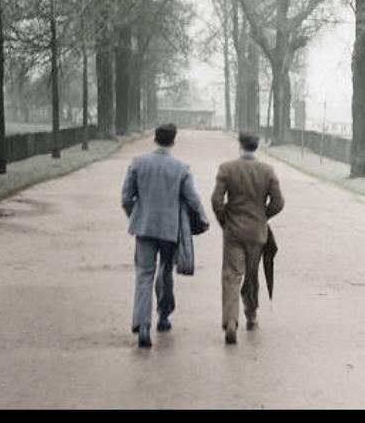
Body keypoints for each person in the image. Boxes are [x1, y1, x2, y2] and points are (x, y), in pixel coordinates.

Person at [121, 123, 209, 348]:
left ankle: (142, 325)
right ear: (173, 140)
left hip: (144, 228)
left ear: (155, 138)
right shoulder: (181, 168)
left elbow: (126, 198)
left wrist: (137, 216)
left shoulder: (138, 163)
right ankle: (163, 315)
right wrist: (202, 219)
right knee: (165, 271)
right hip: (170, 229)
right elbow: (193, 199)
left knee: (144, 274)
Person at [211, 131, 284, 345]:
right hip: (257, 233)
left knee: (231, 275)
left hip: (233, 231)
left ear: (240, 145)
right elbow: (278, 202)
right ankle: (251, 316)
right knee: (252, 276)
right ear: (257, 146)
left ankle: (231, 321)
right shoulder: (267, 171)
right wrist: (263, 215)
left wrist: (225, 220)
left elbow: (216, 200)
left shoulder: (227, 168)